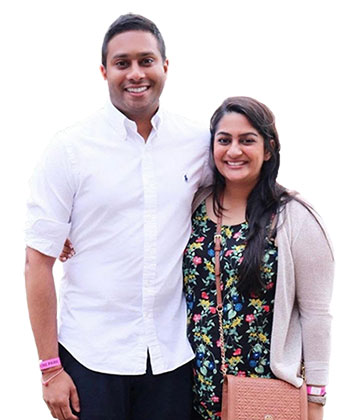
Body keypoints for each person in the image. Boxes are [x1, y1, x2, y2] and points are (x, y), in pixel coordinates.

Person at [25, 13, 211, 420]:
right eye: (122, 63)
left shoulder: (198, 142)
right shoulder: (70, 148)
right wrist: (49, 369)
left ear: (165, 65)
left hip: (171, 357)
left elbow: (238, 193)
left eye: (146, 60)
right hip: (91, 356)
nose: (136, 73)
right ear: (104, 71)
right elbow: (37, 262)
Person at [182, 96, 334, 420]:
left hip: (264, 400)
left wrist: (315, 402)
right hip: (187, 392)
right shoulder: (192, 206)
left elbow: (316, 316)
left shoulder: (295, 218)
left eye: (247, 140)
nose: (233, 151)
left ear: (268, 150)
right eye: (224, 140)